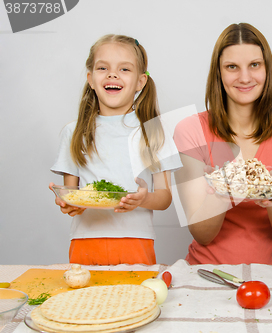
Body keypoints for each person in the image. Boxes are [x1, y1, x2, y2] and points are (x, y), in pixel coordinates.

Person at [173, 23, 272, 265]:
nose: (245, 77)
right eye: (232, 67)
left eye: (255, 65)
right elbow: (202, 234)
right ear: (218, 73)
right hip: (208, 275)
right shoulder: (189, 130)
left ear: (267, 69)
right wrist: (222, 190)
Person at [49, 34, 182, 265]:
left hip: (136, 241)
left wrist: (142, 199)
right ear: (91, 79)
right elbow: (72, 194)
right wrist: (68, 203)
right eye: (103, 68)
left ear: (141, 82)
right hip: (85, 241)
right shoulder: (74, 132)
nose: (112, 74)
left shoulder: (154, 132)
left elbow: (164, 198)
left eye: (124, 69)